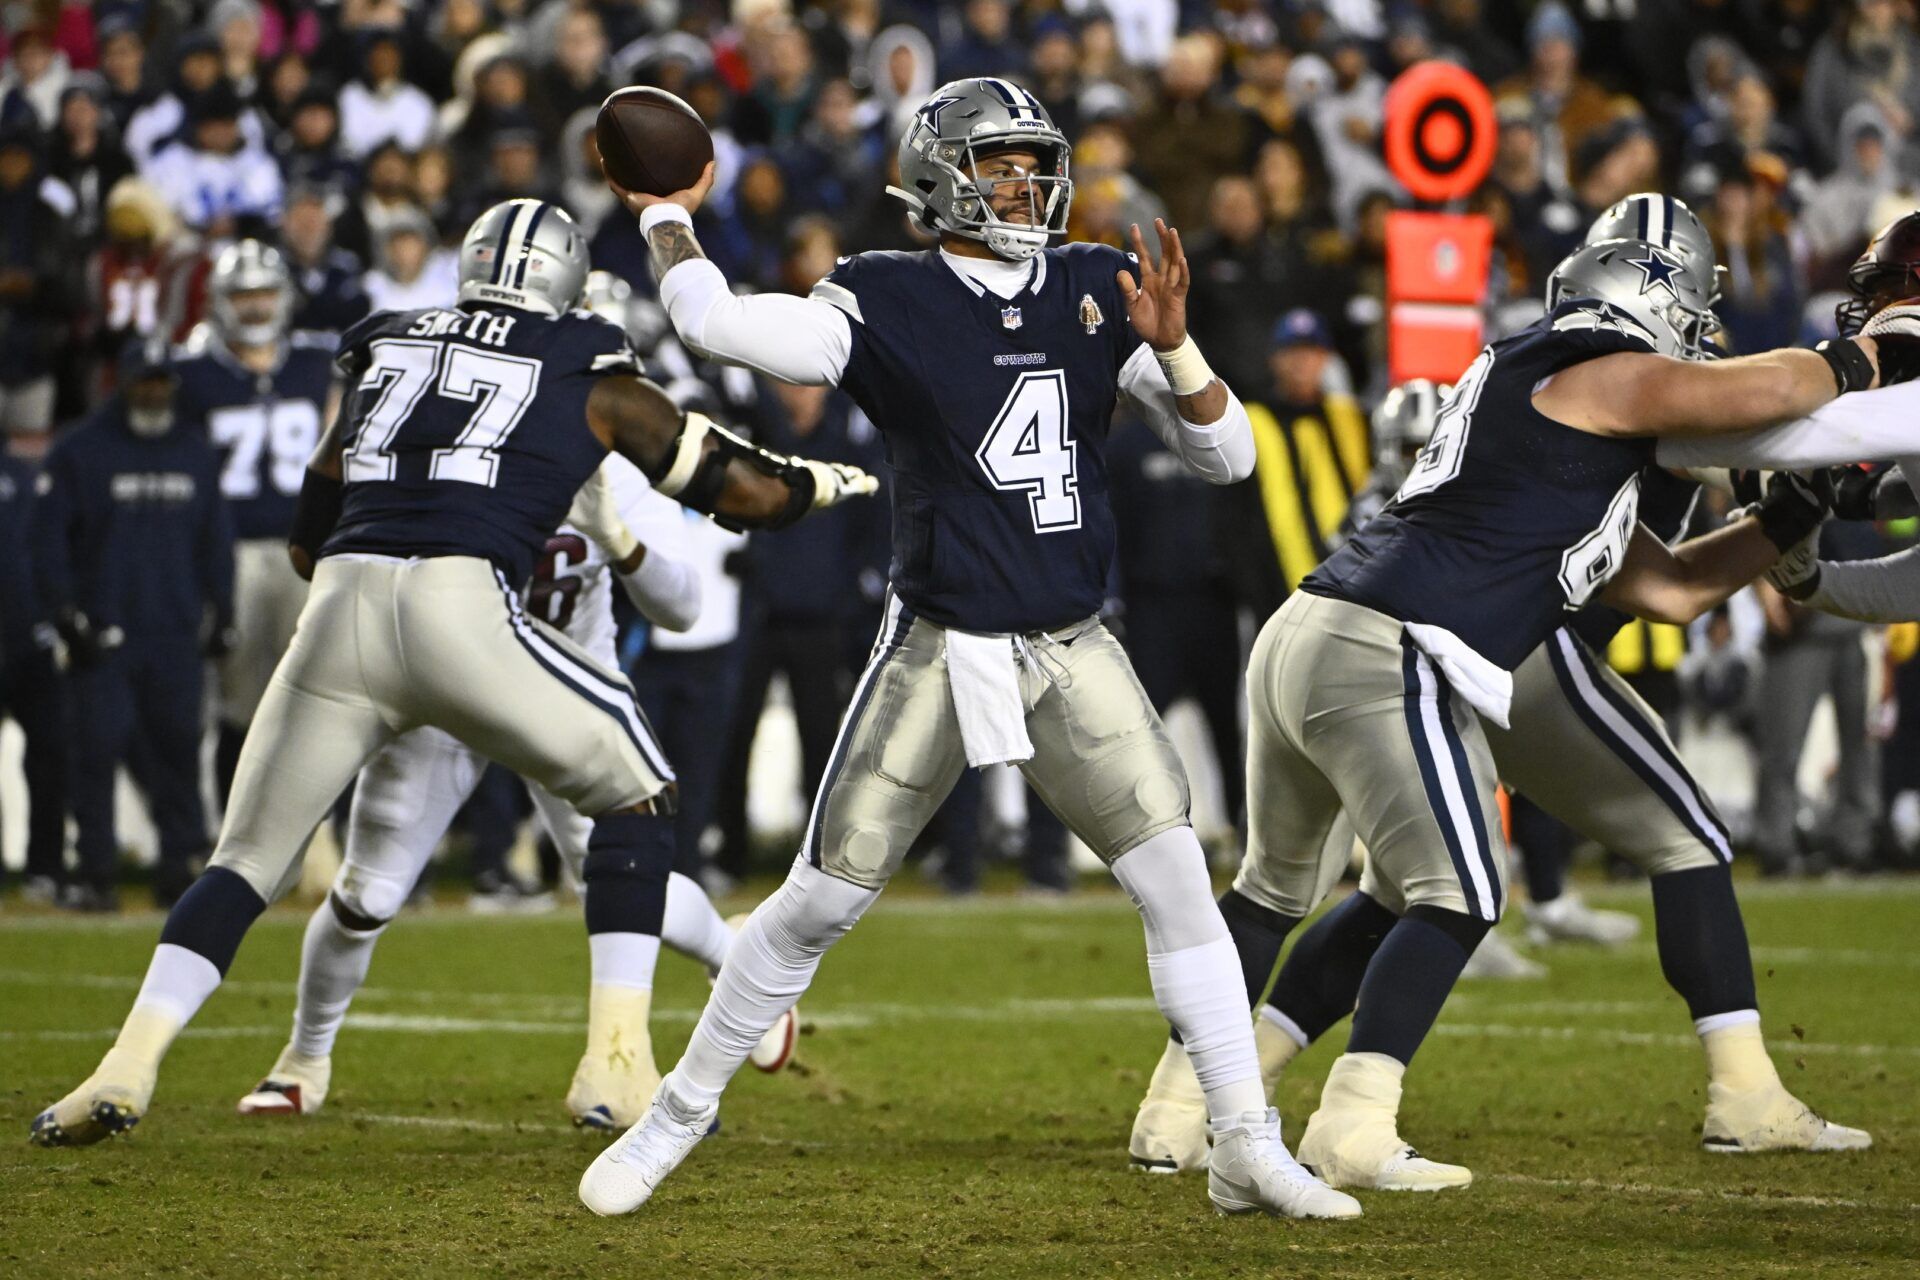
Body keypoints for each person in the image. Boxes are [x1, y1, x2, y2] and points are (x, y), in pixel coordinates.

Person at [581, 78, 1360, 1223]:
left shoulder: (1100, 286)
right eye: (1002, 164)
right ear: (942, 173)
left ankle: (1242, 1140)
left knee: (1181, 880)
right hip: (941, 646)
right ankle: (679, 1111)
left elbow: (1230, 457)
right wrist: (665, 213)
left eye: (1035, 165)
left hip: (1071, 642)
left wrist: (1181, 353)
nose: (1027, 185)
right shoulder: (884, 295)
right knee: (814, 903)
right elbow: (714, 324)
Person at [30, 197, 875, 1148]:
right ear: (565, 284)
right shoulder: (585, 363)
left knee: (244, 863)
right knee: (638, 795)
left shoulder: (385, 345)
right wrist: (819, 484)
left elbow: (313, 527)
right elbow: (738, 489)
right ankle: (618, 1065)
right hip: (466, 620)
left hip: (341, 610)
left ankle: (127, 1064)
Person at [1130, 216, 1894, 1192]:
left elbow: (1669, 588)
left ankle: (1176, 1104)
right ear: (1659, 298)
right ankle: (1354, 1117)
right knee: (1465, 888)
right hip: (1392, 639)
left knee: (1278, 890)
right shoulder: (1600, 365)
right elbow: (1758, 390)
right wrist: (1865, 355)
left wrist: (1790, 511)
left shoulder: (1550, 415)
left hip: (1316, 627)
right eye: (1694, 317)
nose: (1700, 337)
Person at [235, 451, 796, 1129]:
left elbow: (681, 605)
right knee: (367, 893)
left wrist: (619, 539)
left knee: (618, 881)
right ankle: (304, 1059)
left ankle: (719, 974)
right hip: (445, 686)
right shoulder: (461, 441)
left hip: (566, 696)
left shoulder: (619, 463)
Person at [28, 340, 234, 911]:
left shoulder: (195, 451)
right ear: (122, 382)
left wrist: (225, 610)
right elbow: (47, 543)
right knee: (95, 754)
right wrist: (65, 615)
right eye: (144, 381)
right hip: (104, 632)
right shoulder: (81, 451)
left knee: (178, 754)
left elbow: (215, 541)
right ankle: (96, 870)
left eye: (162, 382)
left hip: (174, 631)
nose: (154, 391)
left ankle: (179, 867)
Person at [171, 240, 337, 803]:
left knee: (318, 697)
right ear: (220, 301)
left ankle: (316, 836)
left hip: (307, 551)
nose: (255, 307)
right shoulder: (192, 375)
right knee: (240, 702)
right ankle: (232, 833)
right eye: (243, 295)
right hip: (233, 554)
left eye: (264, 293)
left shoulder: (318, 363)